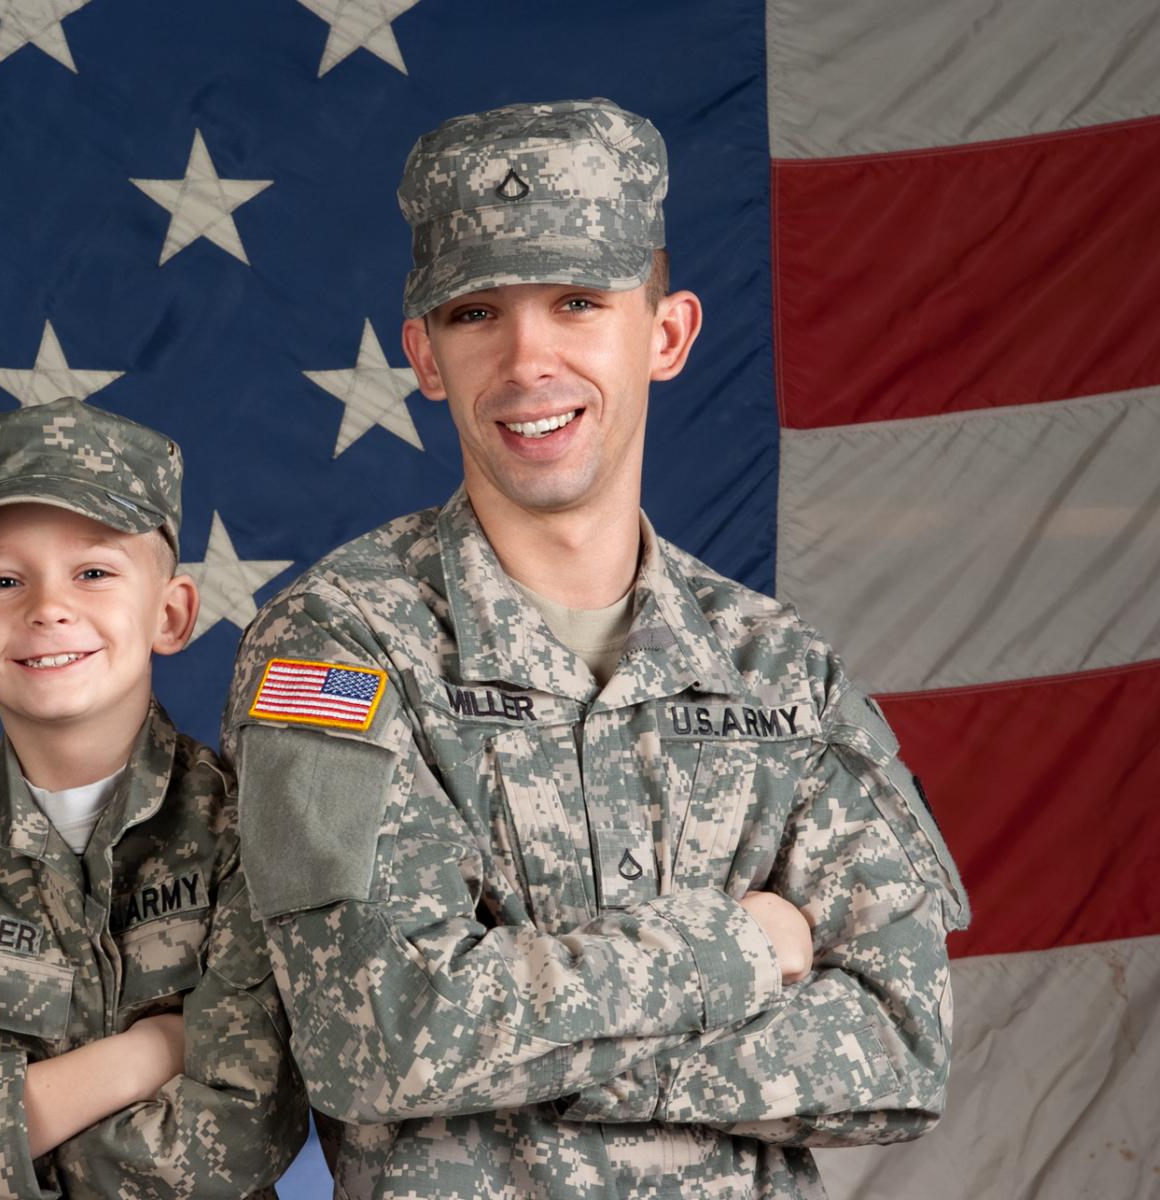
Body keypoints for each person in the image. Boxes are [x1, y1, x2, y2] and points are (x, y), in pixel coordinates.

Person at [222, 99, 970, 1199]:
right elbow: (379, 1037)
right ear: (424, 356)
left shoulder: (774, 668)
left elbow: (903, 1047)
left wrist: (521, 1055)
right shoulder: (338, 647)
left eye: (578, 303)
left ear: (665, 334)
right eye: (479, 313)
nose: (529, 360)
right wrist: (741, 954)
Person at [0, 396, 307, 1198]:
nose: (47, 608)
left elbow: (243, 1128)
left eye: (95, 572)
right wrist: (151, 1052)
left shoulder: (252, 832)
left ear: (172, 614)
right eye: (4, 580)